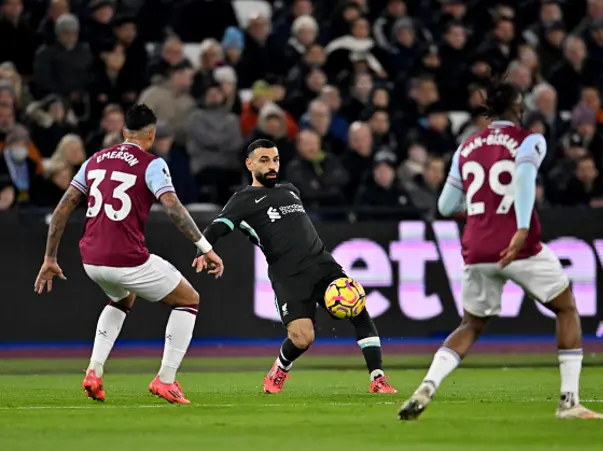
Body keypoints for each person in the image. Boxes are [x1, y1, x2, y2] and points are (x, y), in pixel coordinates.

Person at [397, 81, 603, 421]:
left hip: (477, 246)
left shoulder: (466, 147)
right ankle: (569, 402)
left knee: (470, 324)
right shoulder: (529, 140)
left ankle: (428, 385)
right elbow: (523, 179)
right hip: (518, 245)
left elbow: (447, 204)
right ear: (518, 108)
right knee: (566, 308)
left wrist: (482, 211)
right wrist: (521, 227)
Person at [33, 104, 223, 405]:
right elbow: (173, 208)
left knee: (123, 298)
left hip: (91, 260)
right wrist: (206, 248)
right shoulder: (152, 163)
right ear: (152, 134)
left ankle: (94, 371)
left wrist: (50, 258)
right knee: (189, 300)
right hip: (126, 259)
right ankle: (166, 380)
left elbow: (63, 208)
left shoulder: (93, 160)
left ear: (124, 132)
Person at [192, 139, 397, 395]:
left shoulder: (290, 189)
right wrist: (204, 249)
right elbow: (217, 227)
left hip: (322, 264)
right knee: (303, 338)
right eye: (264, 160)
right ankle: (280, 367)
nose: (272, 165)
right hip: (288, 277)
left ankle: (378, 378)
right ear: (249, 164)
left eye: (275, 159)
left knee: (357, 305)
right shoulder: (242, 200)